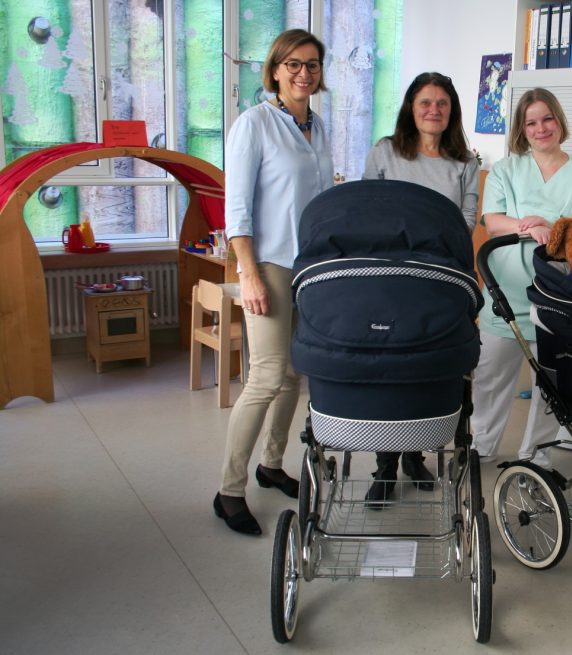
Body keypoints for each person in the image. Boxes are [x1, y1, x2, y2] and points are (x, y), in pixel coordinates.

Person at [214, 29, 334, 536]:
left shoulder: (319, 128)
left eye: (311, 65)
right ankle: (228, 490)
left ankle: (271, 464)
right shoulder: (255, 124)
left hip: (311, 267)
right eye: (293, 64)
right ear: (276, 70)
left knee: (293, 376)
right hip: (268, 265)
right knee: (265, 376)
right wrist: (248, 274)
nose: (303, 73)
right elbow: (237, 209)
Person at [471, 88, 572, 469]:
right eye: (531, 122)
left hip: (557, 299)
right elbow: (491, 219)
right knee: (489, 377)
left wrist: (555, 227)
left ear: (559, 121)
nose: (540, 128)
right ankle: (481, 446)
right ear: (522, 129)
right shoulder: (505, 170)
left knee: (549, 386)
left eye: (547, 118)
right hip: (504, 294)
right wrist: (526, 226)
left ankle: (536, 456)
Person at [362, 72, 480, 507]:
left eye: (442, 103)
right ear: (411, 107)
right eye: (425, 102)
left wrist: (433, 247)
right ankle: (385, 469)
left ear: (452, 111)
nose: (434, 110)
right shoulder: (385, 152)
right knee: (390, 370)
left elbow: (467, 220)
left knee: (428, 366)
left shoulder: (465, 160)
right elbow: (367, 212)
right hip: (390, 279)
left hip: (439, 278)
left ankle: (415, 456)